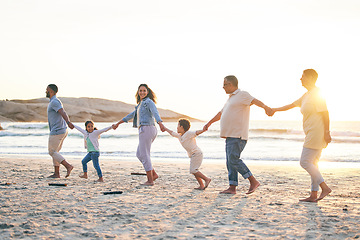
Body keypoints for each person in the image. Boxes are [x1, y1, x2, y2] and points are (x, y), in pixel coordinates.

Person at [203, 75, 273, 194]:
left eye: (224, 84)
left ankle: (253, 181)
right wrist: (209, 123)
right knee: (230, 162)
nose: (223, 87)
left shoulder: (242, 95)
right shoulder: (230, 99)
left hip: (238, 135)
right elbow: (221, 113)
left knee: (234, 159)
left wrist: (266, 107)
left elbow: (254, 101)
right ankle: (232, 187)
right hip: (230, 135)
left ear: (230, 84)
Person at [270, 69, 332, 202]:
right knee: (313, 163)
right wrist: (274, 109)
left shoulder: (317, 94)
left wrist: (327, 132)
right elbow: (291, 105)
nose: (300, 79)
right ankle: (313, 194)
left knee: (304, 162)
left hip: (317, 132)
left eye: (302, 76)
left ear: (310, 78)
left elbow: (325, 114)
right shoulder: (306, 95)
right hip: (311, 132)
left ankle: (324, 187)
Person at [114, 84, 165, 186]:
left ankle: (150, 181)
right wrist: (118, 123)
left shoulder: (149, 102)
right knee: (139, 154)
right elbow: (131, 115)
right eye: (140, 91)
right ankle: (153, 174)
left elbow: (155, 112)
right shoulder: (141, 104)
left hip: (147, 128)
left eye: (144, 91)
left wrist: (160, 123)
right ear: (138, 92)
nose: (142, 92)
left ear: (147, 92)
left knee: (145, 155)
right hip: (144, 129)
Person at [163, 119, 211, 190]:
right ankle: (201, 185)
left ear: (182, 127)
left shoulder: (188, 134)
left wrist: (203, 130)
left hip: (197, 153)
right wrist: (165, 129)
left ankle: (207, 179)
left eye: (178, 126)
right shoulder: (180, 136)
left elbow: (196, 132)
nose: (177, 127)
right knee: (194, 171)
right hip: (193, 155)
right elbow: (172, 133)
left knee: (193, 170)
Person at [46, 84, 74, 178]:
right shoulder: (53, 101)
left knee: (52, 151)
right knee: (55, 152)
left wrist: (68, 122)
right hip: (60, 130)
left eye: (47, 90)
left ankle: (68, 166)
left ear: (52, 91)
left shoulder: (54, 101)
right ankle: (56, 173)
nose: (46, 91)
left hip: (57, 130)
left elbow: (62, 112)